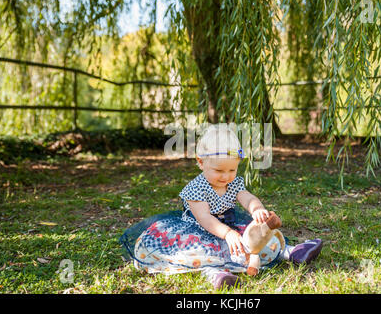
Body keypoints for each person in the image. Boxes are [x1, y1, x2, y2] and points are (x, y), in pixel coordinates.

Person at [119, 124, 323, 289]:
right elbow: (205, 219)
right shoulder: (195, 189)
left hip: (229, 227)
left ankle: (291, 252)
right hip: (201, 231)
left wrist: (256, 209)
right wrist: (226, 234)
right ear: (201, 162)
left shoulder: (232, 182)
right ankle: (215, 274)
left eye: (232, 169)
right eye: (219, 170)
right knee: (200, 252)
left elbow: (247, 197)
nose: (225, 176)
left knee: (254, 239)